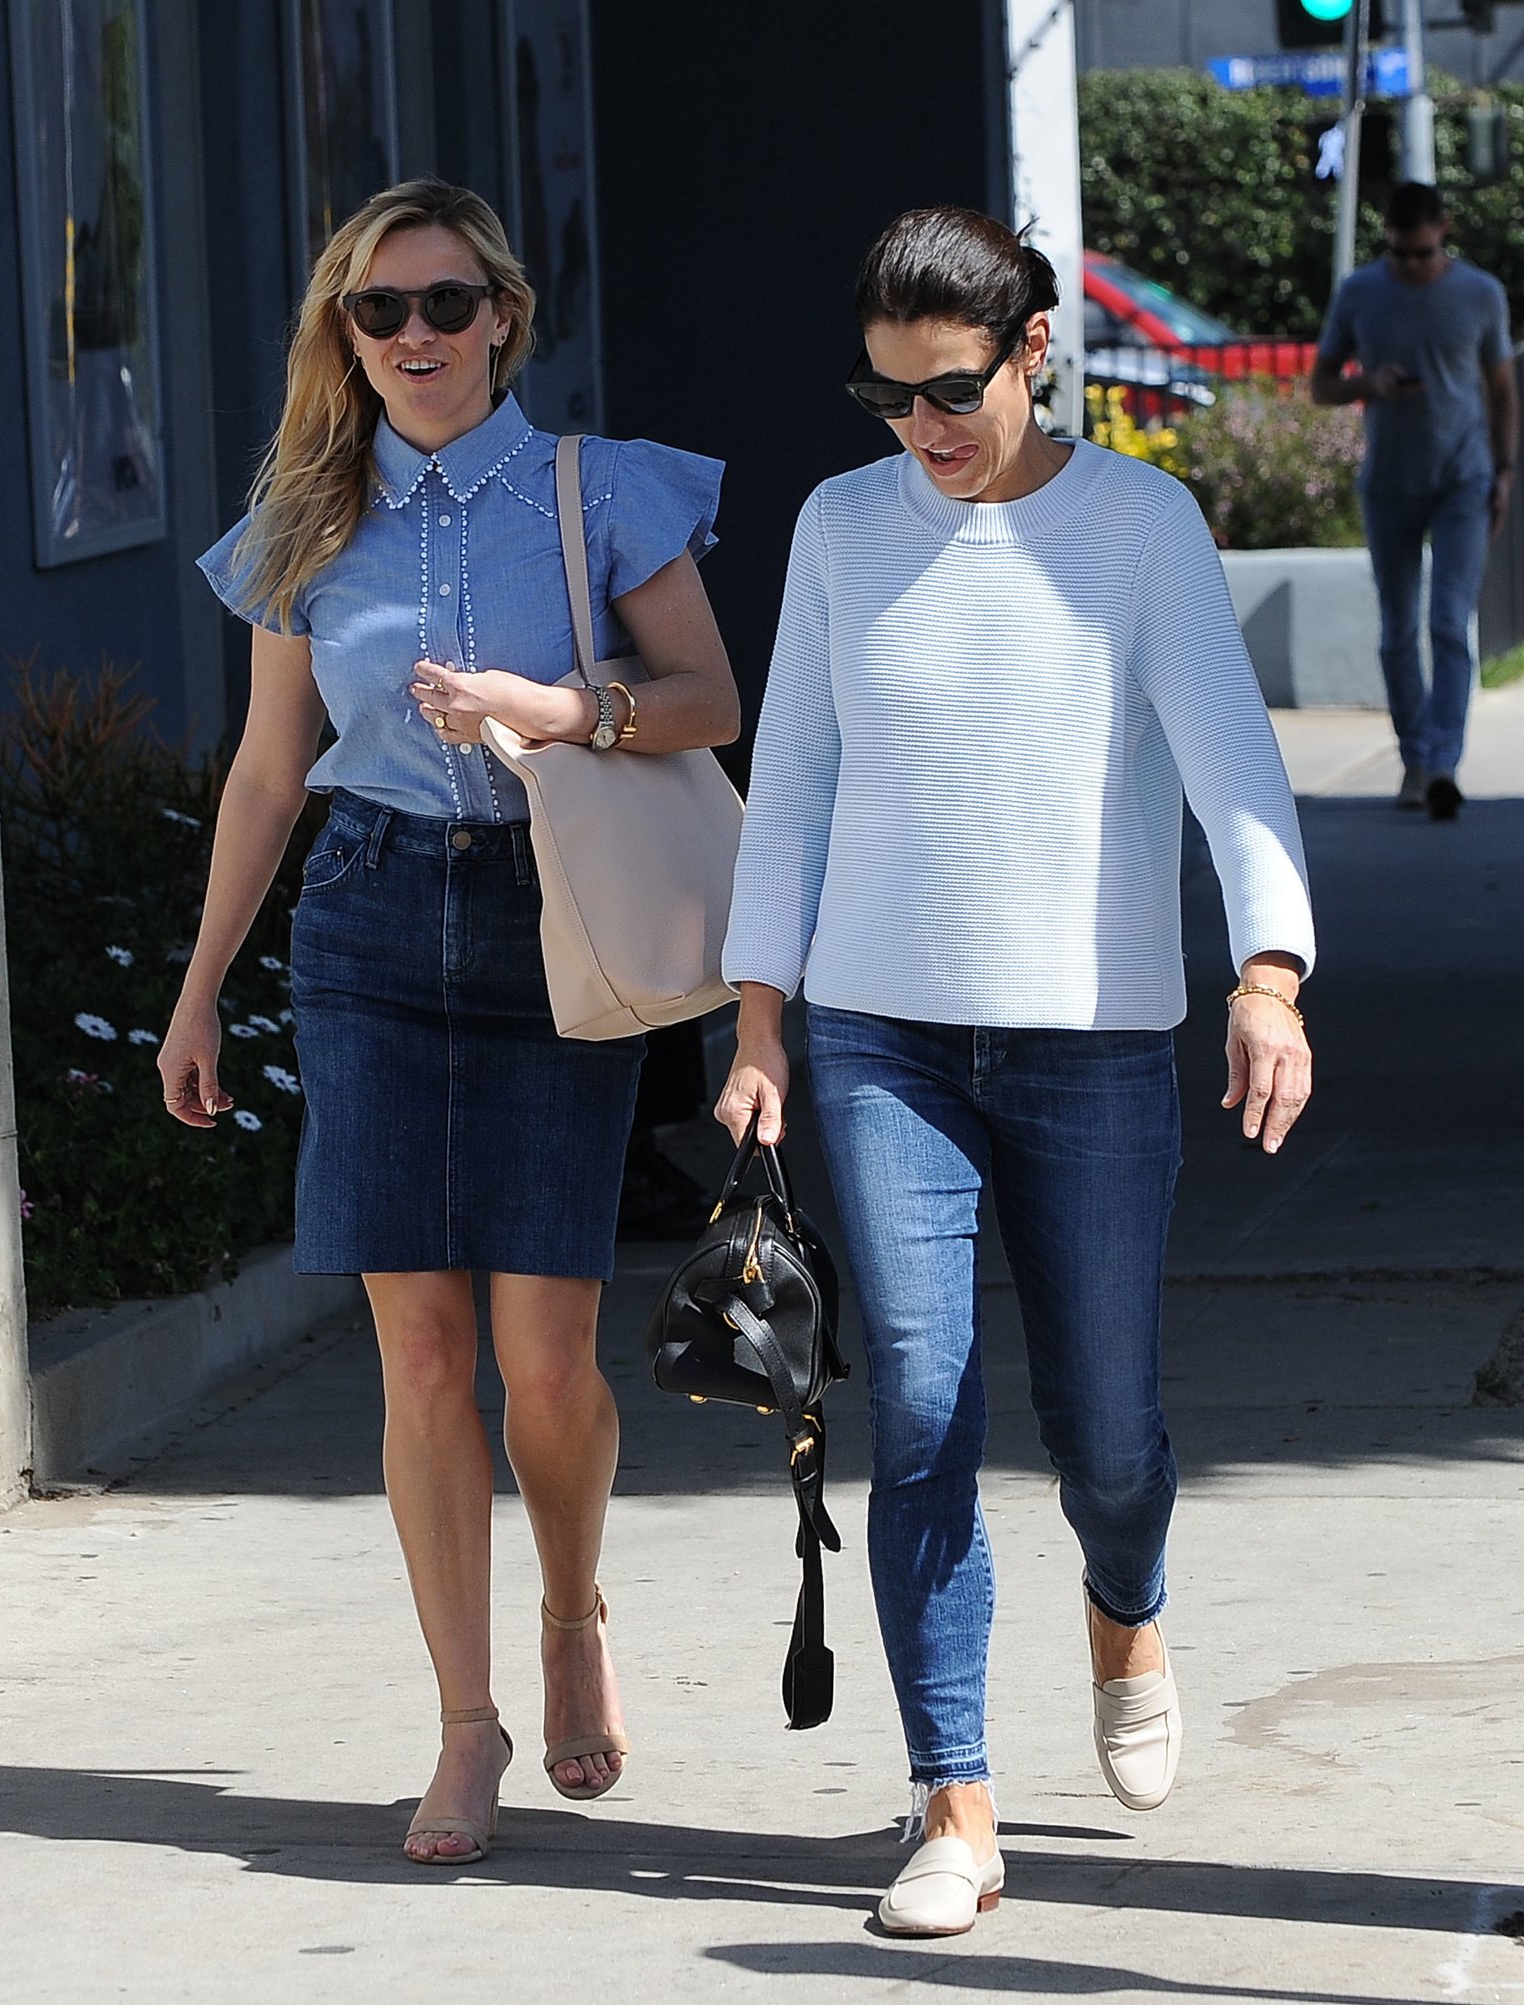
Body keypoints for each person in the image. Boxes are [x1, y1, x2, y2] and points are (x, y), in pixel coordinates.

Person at [716, 206, 1315, 1938]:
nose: (924, 427)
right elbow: (795, 785)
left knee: (1107, 1433)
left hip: (1095, 1039)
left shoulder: (1140, 523)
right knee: (921, 1405)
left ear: (1034, 349)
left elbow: (1234, 765)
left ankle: (1126, 1605)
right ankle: (955, 1803)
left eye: (953, 389)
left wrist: (1268, 974)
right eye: (888, 396)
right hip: (879, 1035)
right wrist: (758, 1021)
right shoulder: (842, 528)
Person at [160, 178, 737, 1864]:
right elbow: (267, 775)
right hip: (368, 919)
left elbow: (711, 698)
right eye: (379, 310)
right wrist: (199, 991)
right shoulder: (306, 520)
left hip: (554, 921)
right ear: (346, 337)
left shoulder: (600, 489)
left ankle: (571, 1608)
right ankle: (465, 1726)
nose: (415, 335)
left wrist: (553, 709)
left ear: (504, 317)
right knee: (419, 1349)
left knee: (545, 1356)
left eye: (445, 303)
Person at [1312, 181, 1517, 820]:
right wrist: (1368, 383)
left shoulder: (1480, 293)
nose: (1411, 266)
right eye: (1400, 255)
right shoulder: (1360, 292)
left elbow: (1502, 388)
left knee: (1449, 623)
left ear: (1443, 232)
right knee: (1398, 631)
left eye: (1423, 254)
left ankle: (1442, 764)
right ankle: (1416, 758)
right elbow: (1321, 384)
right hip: (1390, 484)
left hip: (1464, 480)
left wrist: (1504, 470)